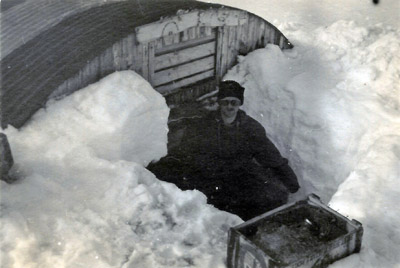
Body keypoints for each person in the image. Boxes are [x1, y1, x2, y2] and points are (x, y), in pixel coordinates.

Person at [148, 80, 299, 220]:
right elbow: (187, 150)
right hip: (209, 173)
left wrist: (291, 181)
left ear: (239, 104)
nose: (230, 106)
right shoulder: (205, 124)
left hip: (238, 174)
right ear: (220, 103)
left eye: (234, 102)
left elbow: (270, 155)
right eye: (225, 102)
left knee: (265, 197)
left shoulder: (250, 128)